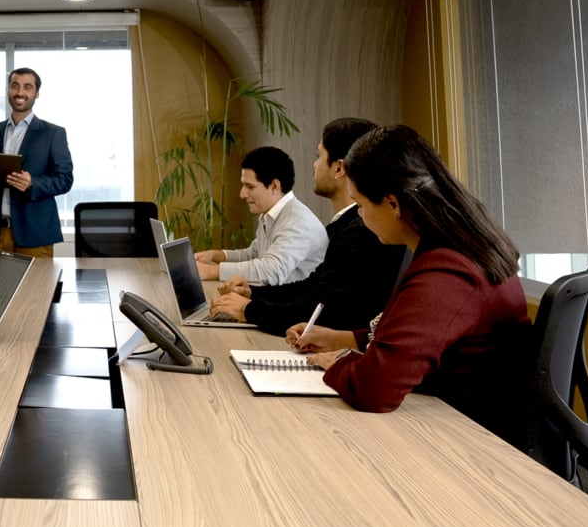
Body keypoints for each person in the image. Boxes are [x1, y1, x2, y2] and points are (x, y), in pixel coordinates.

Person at [287, 124, 533, 444]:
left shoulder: (447, 272)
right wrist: (343, 338)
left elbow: (374, 389)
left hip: (468, 438)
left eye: (360, 205)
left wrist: (339, 362)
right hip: (465, 417)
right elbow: (426, 334)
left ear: (392, 204)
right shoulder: (463, 240)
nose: (360, 216)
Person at [210, 118, 406, 333]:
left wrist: (249, 309)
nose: (314, 164)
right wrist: (253, 294)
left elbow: (319, 312)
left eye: (318, 156)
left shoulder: (359, 232)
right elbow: (310, 288)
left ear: (339, 168)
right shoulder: (343, 227)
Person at [0, 68, 73, 258]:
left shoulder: (53, 134)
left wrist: (33, 183)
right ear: (8, 91)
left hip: (35, 234)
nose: (20, 92)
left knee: (36, 288)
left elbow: (65, 179)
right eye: (15, 86)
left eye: (27, 87)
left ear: (36, 93)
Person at [193, 146, 327, 285]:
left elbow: (270, 271)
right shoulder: (271, 215)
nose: (242, 194)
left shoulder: (298, 223)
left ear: (275, 186)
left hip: (295, 304)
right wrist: (215, 255)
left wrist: (210, 271)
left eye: (250, 187)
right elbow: (253, 254)